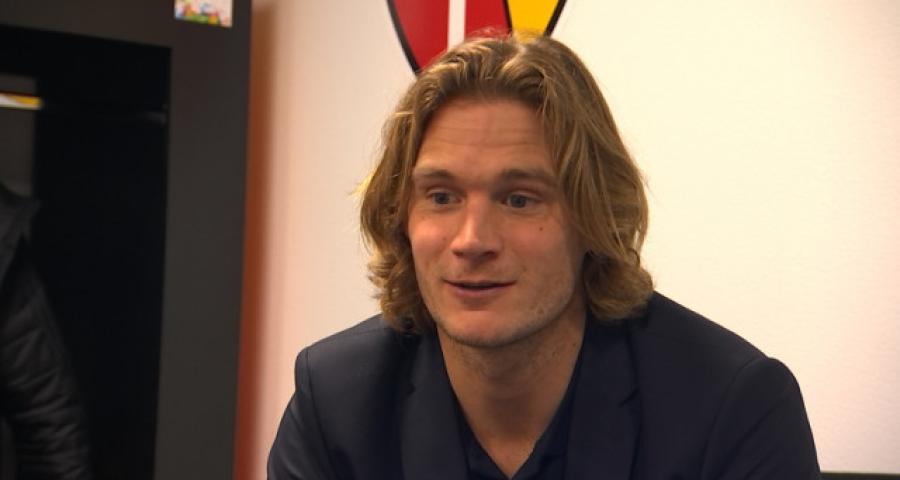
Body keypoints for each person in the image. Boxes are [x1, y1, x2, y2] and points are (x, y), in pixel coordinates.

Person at [268, 34, 819, 479]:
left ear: (594, 217)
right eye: (441, 196)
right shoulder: (336, 401)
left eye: (518, 199)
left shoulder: (731, 407)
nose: (471, 240)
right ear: (400, 216)